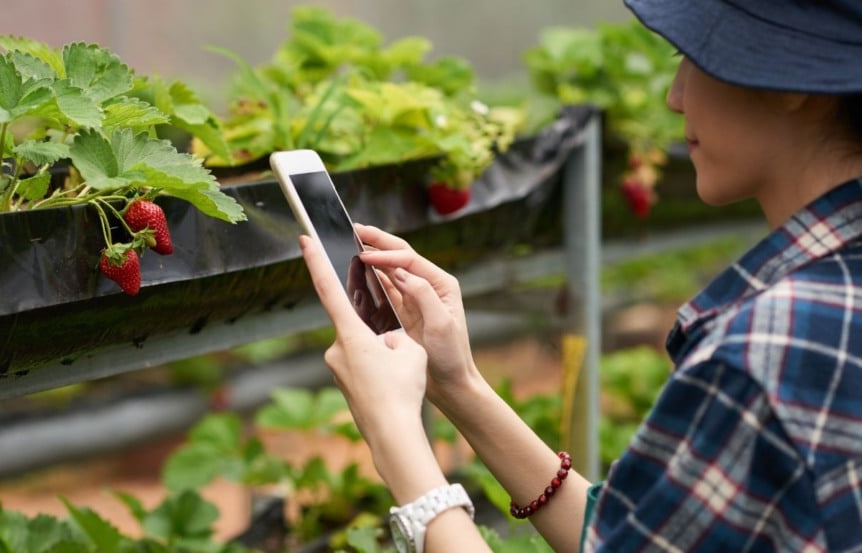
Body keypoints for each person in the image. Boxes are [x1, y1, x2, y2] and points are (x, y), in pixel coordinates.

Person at [297, 0, 862, 551]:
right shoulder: (830, 303)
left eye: (695, 58)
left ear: (794, 80)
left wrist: (395, 434)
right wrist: (458, 384)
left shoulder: (766, 352)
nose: (674, 97)